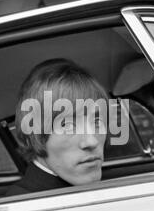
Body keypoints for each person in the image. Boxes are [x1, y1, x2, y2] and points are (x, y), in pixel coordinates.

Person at [6, 58, 109, 196]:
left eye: (96, 122)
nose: (92, 141)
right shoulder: (26, 207)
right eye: (68, 125)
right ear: (34, 133)